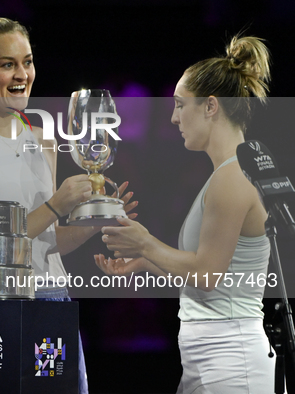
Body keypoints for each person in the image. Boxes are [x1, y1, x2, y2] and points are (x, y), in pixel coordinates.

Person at [0, 18, 137, 394]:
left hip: (52, 300)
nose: (22, 74)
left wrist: (97, 218)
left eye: (27, 62)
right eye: (7, 64)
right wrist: (58, 204)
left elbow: (48, 242)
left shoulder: (43, 140)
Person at [96, 35, 274, 393]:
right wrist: (145, 262)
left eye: (180, 105)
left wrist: (145, 244)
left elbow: (207, 275)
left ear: (210, 106)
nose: (174, 117)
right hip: (209, 361)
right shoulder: (223, 174)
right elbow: (212, 279)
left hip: (231, 365)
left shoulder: (230, 178)